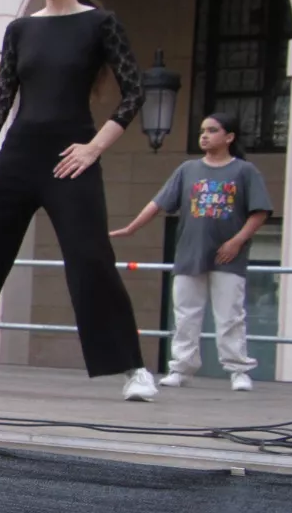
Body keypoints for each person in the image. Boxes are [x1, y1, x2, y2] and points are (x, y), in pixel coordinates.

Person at [0, 0, 157, 400]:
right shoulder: (20, 29)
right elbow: (0, 103)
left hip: (70, 155)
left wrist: (95, 148)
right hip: (17, 154)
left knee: (90, 258)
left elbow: (134, 92)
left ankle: (132, 369)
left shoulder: (100, 23)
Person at [111, 112, 272, 392]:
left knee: (230, 315)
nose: (204, 136)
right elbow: (159, 203)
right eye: (202, 131)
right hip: (189, 253)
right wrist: (131, 228)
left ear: (229, 137)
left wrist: (237, 241)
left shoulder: (245, 171)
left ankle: (238, 370)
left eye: (212, 130)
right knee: (185, 314)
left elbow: (259, 212)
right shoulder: (187, 170)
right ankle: (181, 368)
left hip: (228, 257)